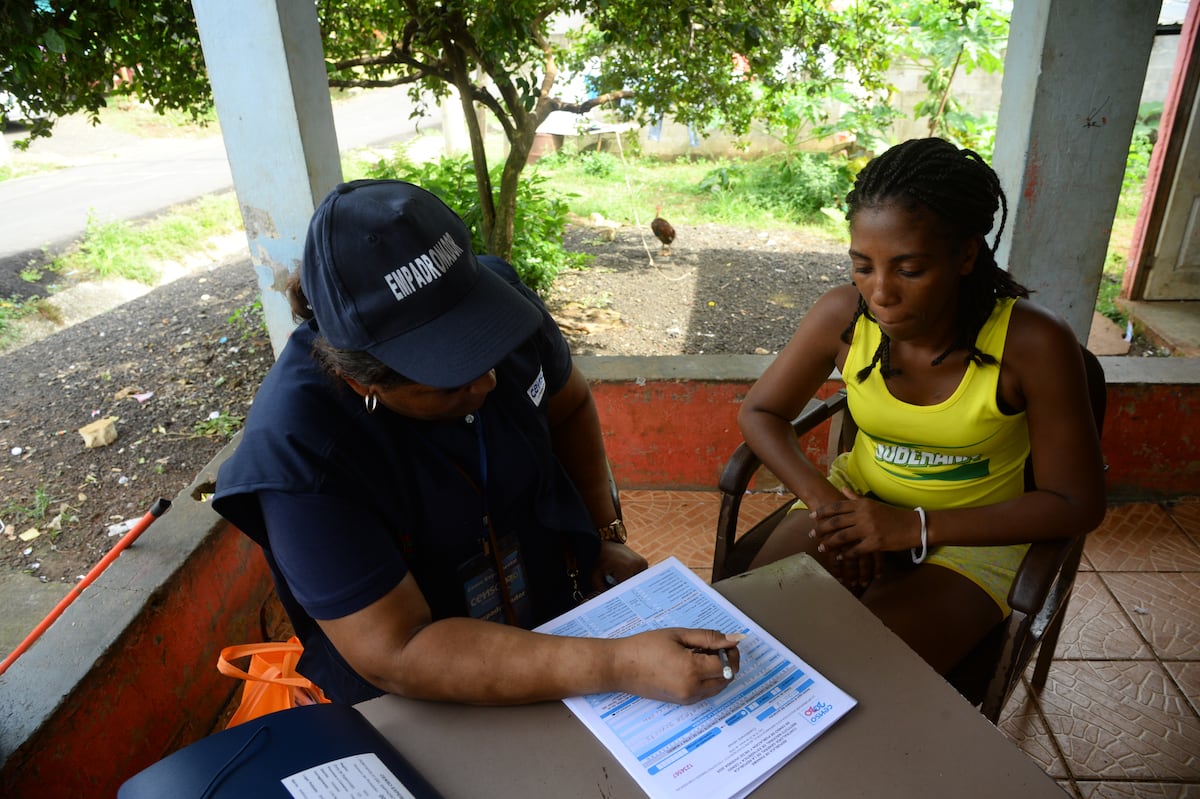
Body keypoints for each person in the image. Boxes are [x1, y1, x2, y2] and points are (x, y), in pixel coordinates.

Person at [212, 179, 741, 706]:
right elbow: (399, 650)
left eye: (487, 345)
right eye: (450, 376)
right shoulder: (299, 459)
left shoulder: (499, 300)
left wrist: (604, 532)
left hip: (545, 598)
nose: (488, 381)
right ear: (361, 383)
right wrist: (618, 664)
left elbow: (571, 404)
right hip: (428, 684)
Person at [737, 138, 1106, 675]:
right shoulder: (844, 317)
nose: (880, 293)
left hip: (976, 534)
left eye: (909, 270)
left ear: (964, 255)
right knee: (750, 641)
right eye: (862, 266)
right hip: (853, 502)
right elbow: (760, 413)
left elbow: (1076, 503)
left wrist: (913, 526)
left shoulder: (1032, 343)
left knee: (868, 675)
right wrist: (828, 506)